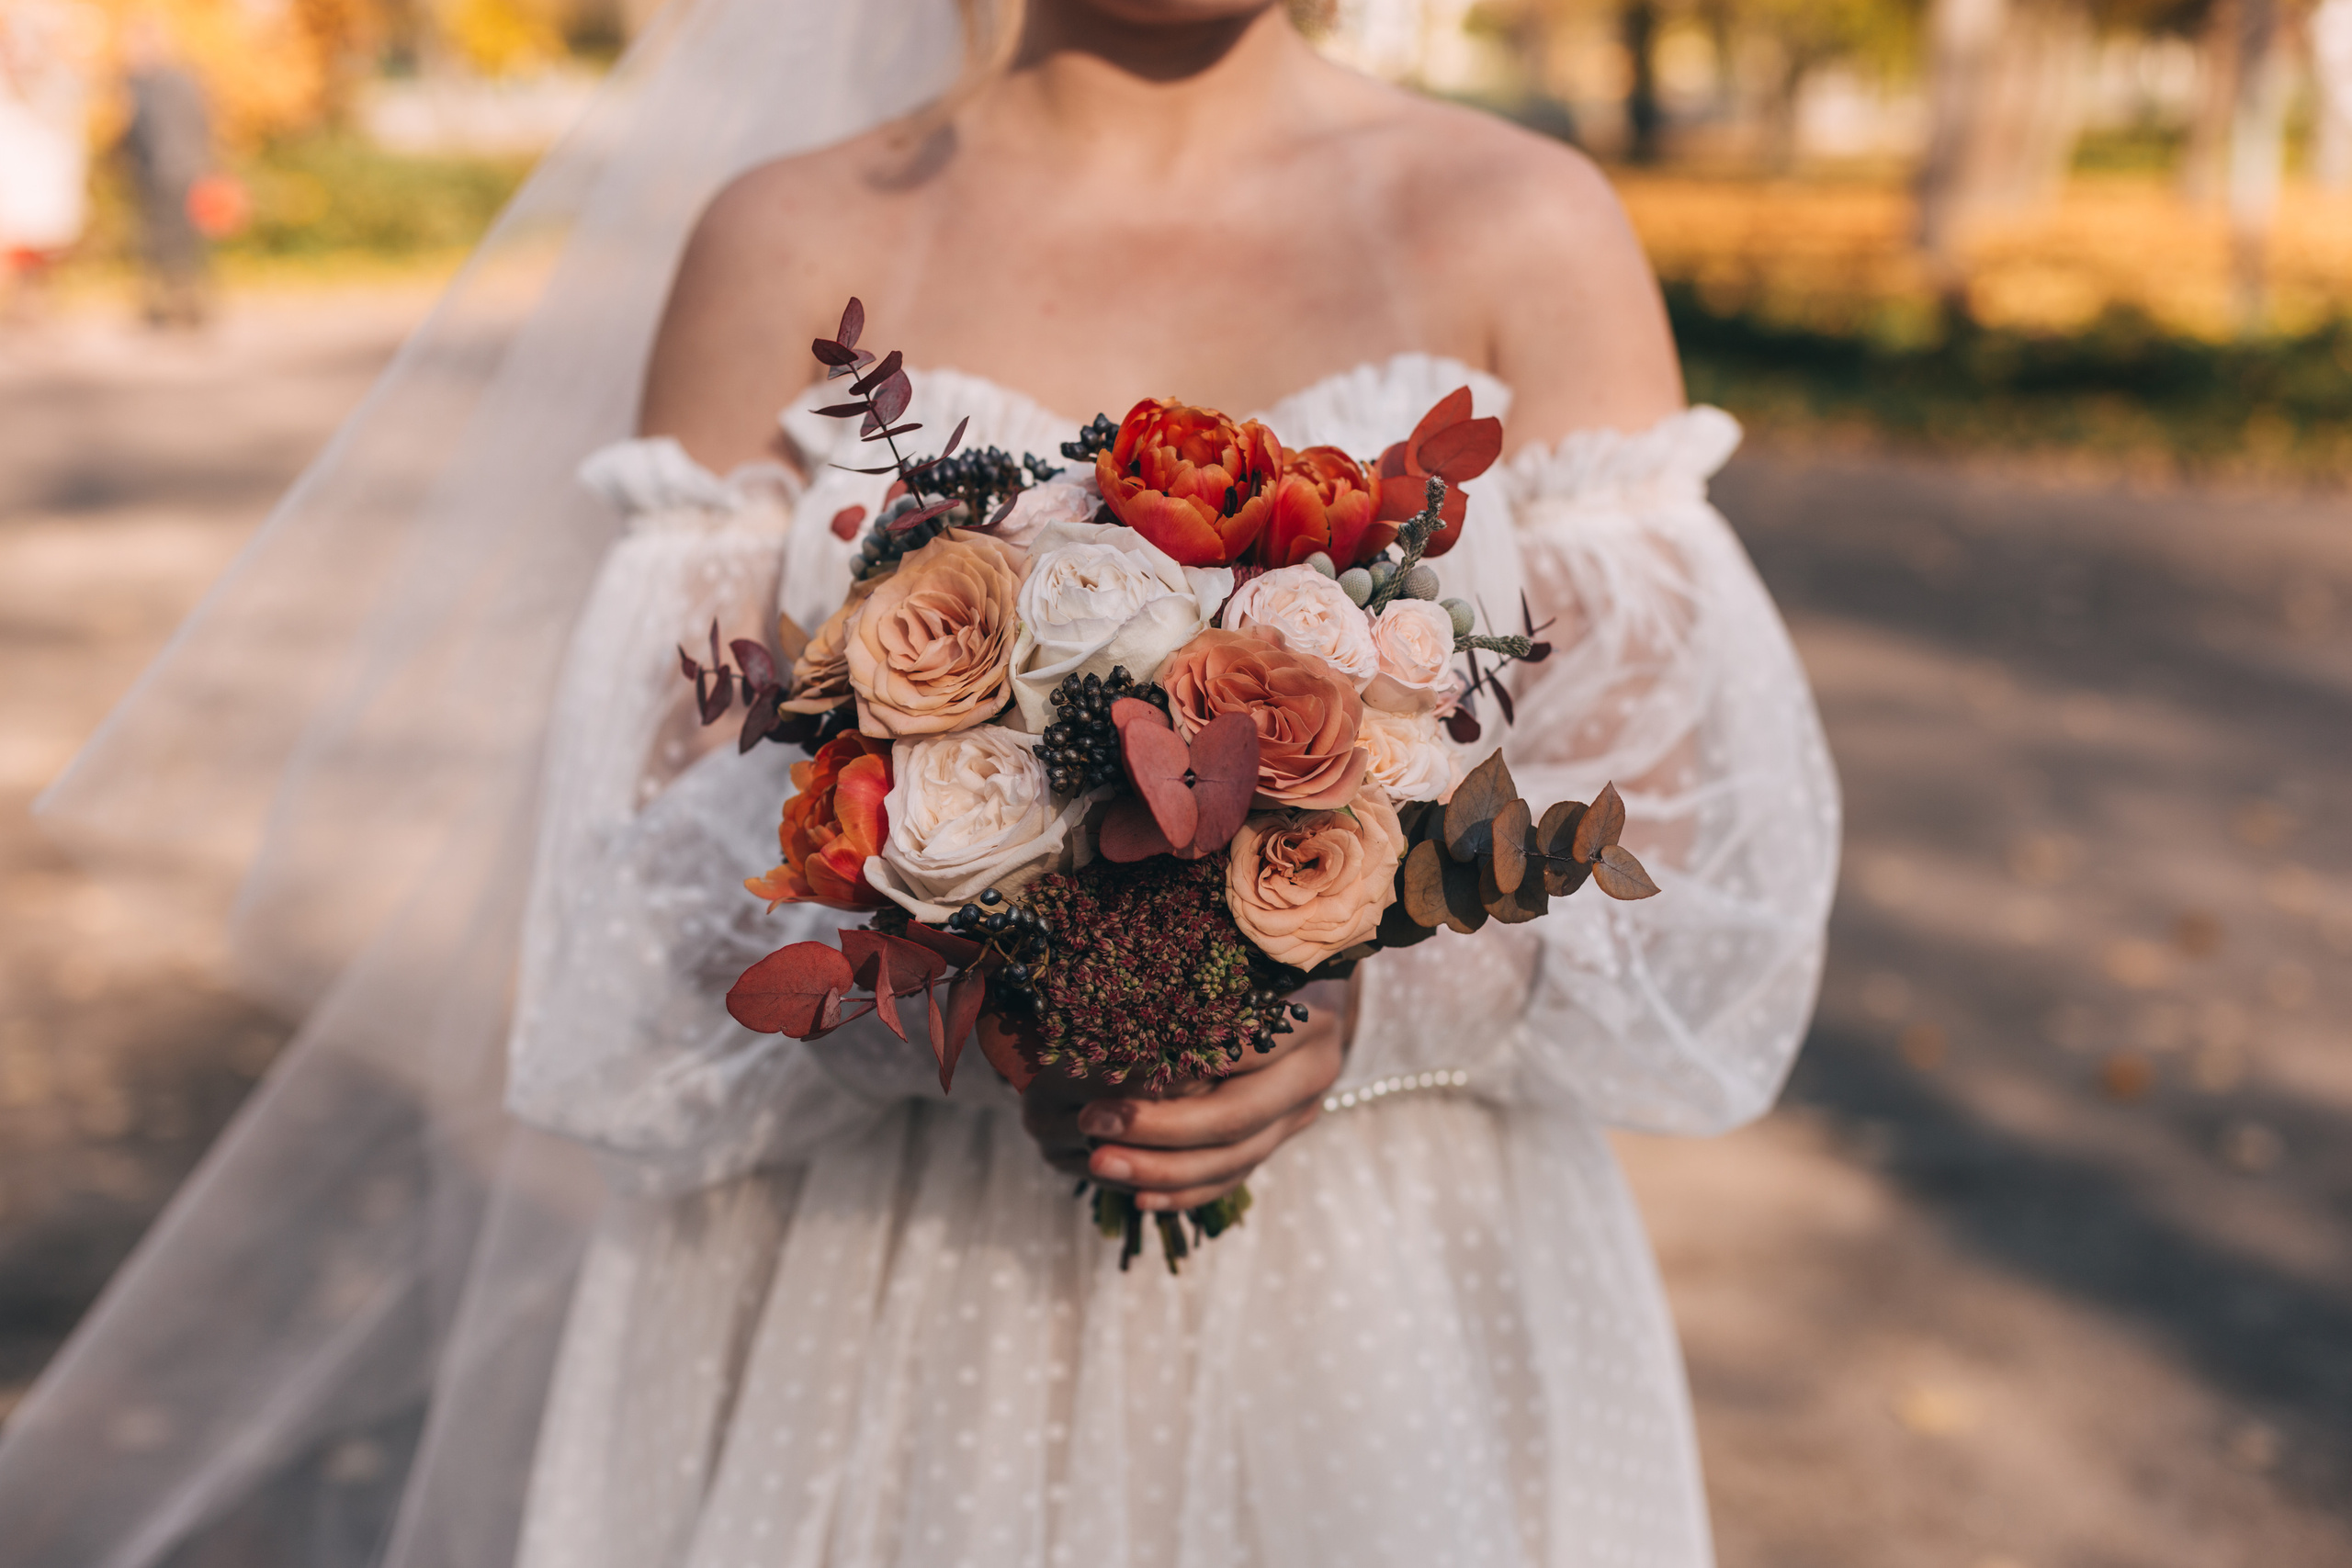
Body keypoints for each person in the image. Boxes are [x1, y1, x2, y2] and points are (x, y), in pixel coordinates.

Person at [0, 3, 1839, 1565]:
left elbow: (1682, 884)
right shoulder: (780, 245)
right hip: (879, 1301)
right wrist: (994, 993)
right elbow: (637, 916)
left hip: (1393, 1302)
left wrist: (1350, 1001)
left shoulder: (1522, 222)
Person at [0, 0, 96, 321]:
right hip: (21, 183)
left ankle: (36, 301)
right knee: (22, 241)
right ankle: (24, 301)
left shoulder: (57, 81)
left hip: (40, 180)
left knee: (42, 243)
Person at [118, 19, 212, 328]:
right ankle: (171, 304)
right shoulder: (140, 84)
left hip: (178, 170)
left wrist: (200, 167)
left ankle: (187, 306)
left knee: (180, 241)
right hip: (152, 173)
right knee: (157, 241)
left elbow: (194, 126)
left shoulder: (175, 82)